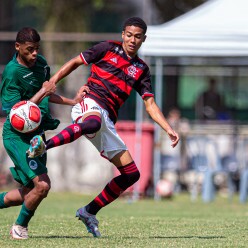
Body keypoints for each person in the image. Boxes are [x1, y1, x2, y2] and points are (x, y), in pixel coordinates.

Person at [27, 17, 180, 238]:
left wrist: (168, 128)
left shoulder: (141, 69)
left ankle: (89, 211)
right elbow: (75, 62)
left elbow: (150, 104)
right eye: (129, 34)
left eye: (137, 36)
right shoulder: (107, 48)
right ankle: (44, 145)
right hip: (88, 104)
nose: (132, 40)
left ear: (143, 39)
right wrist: (53, 82)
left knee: (131, 174)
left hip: (106, 119)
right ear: (123, 34)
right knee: (93, 121)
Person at [0, 27, 88, 240]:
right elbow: (16, 113)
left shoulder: (41, 64)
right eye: (29, 49)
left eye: (37, 49)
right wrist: (43, 92)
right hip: (17, 137)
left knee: (29, 192)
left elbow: (48, 94)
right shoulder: (12, 72)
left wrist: (72, 102)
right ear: (17, 47)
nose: (34, 54)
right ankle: (19, 228)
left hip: (37, 135)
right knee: (43, 185)